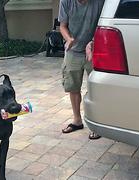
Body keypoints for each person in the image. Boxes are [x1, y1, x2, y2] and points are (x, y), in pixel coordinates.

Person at [58, 0, 104, 139]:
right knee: (73, 87)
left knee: (95, 89)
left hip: (94, 50)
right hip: (72, 52)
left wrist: (93, 42)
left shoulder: (99, 2)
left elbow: (103, 26)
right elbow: (63, 26)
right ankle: (77, 120)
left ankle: (97, 124)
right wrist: (69, 39)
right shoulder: (66, 1)